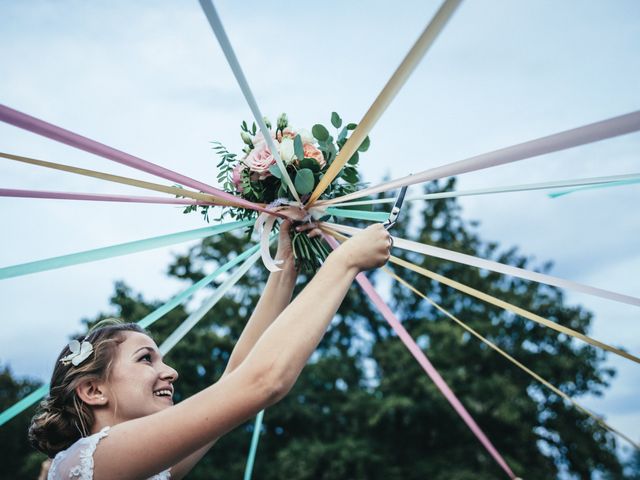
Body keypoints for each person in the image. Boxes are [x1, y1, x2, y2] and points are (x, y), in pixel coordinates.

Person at [28, 222, 391, 479]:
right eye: (146, 359)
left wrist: (286, 264)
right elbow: (261, 382)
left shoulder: (137, 464)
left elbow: (236, 377)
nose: (170, 372)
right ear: (93, 390)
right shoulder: (92, 460)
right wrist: (344, 263)